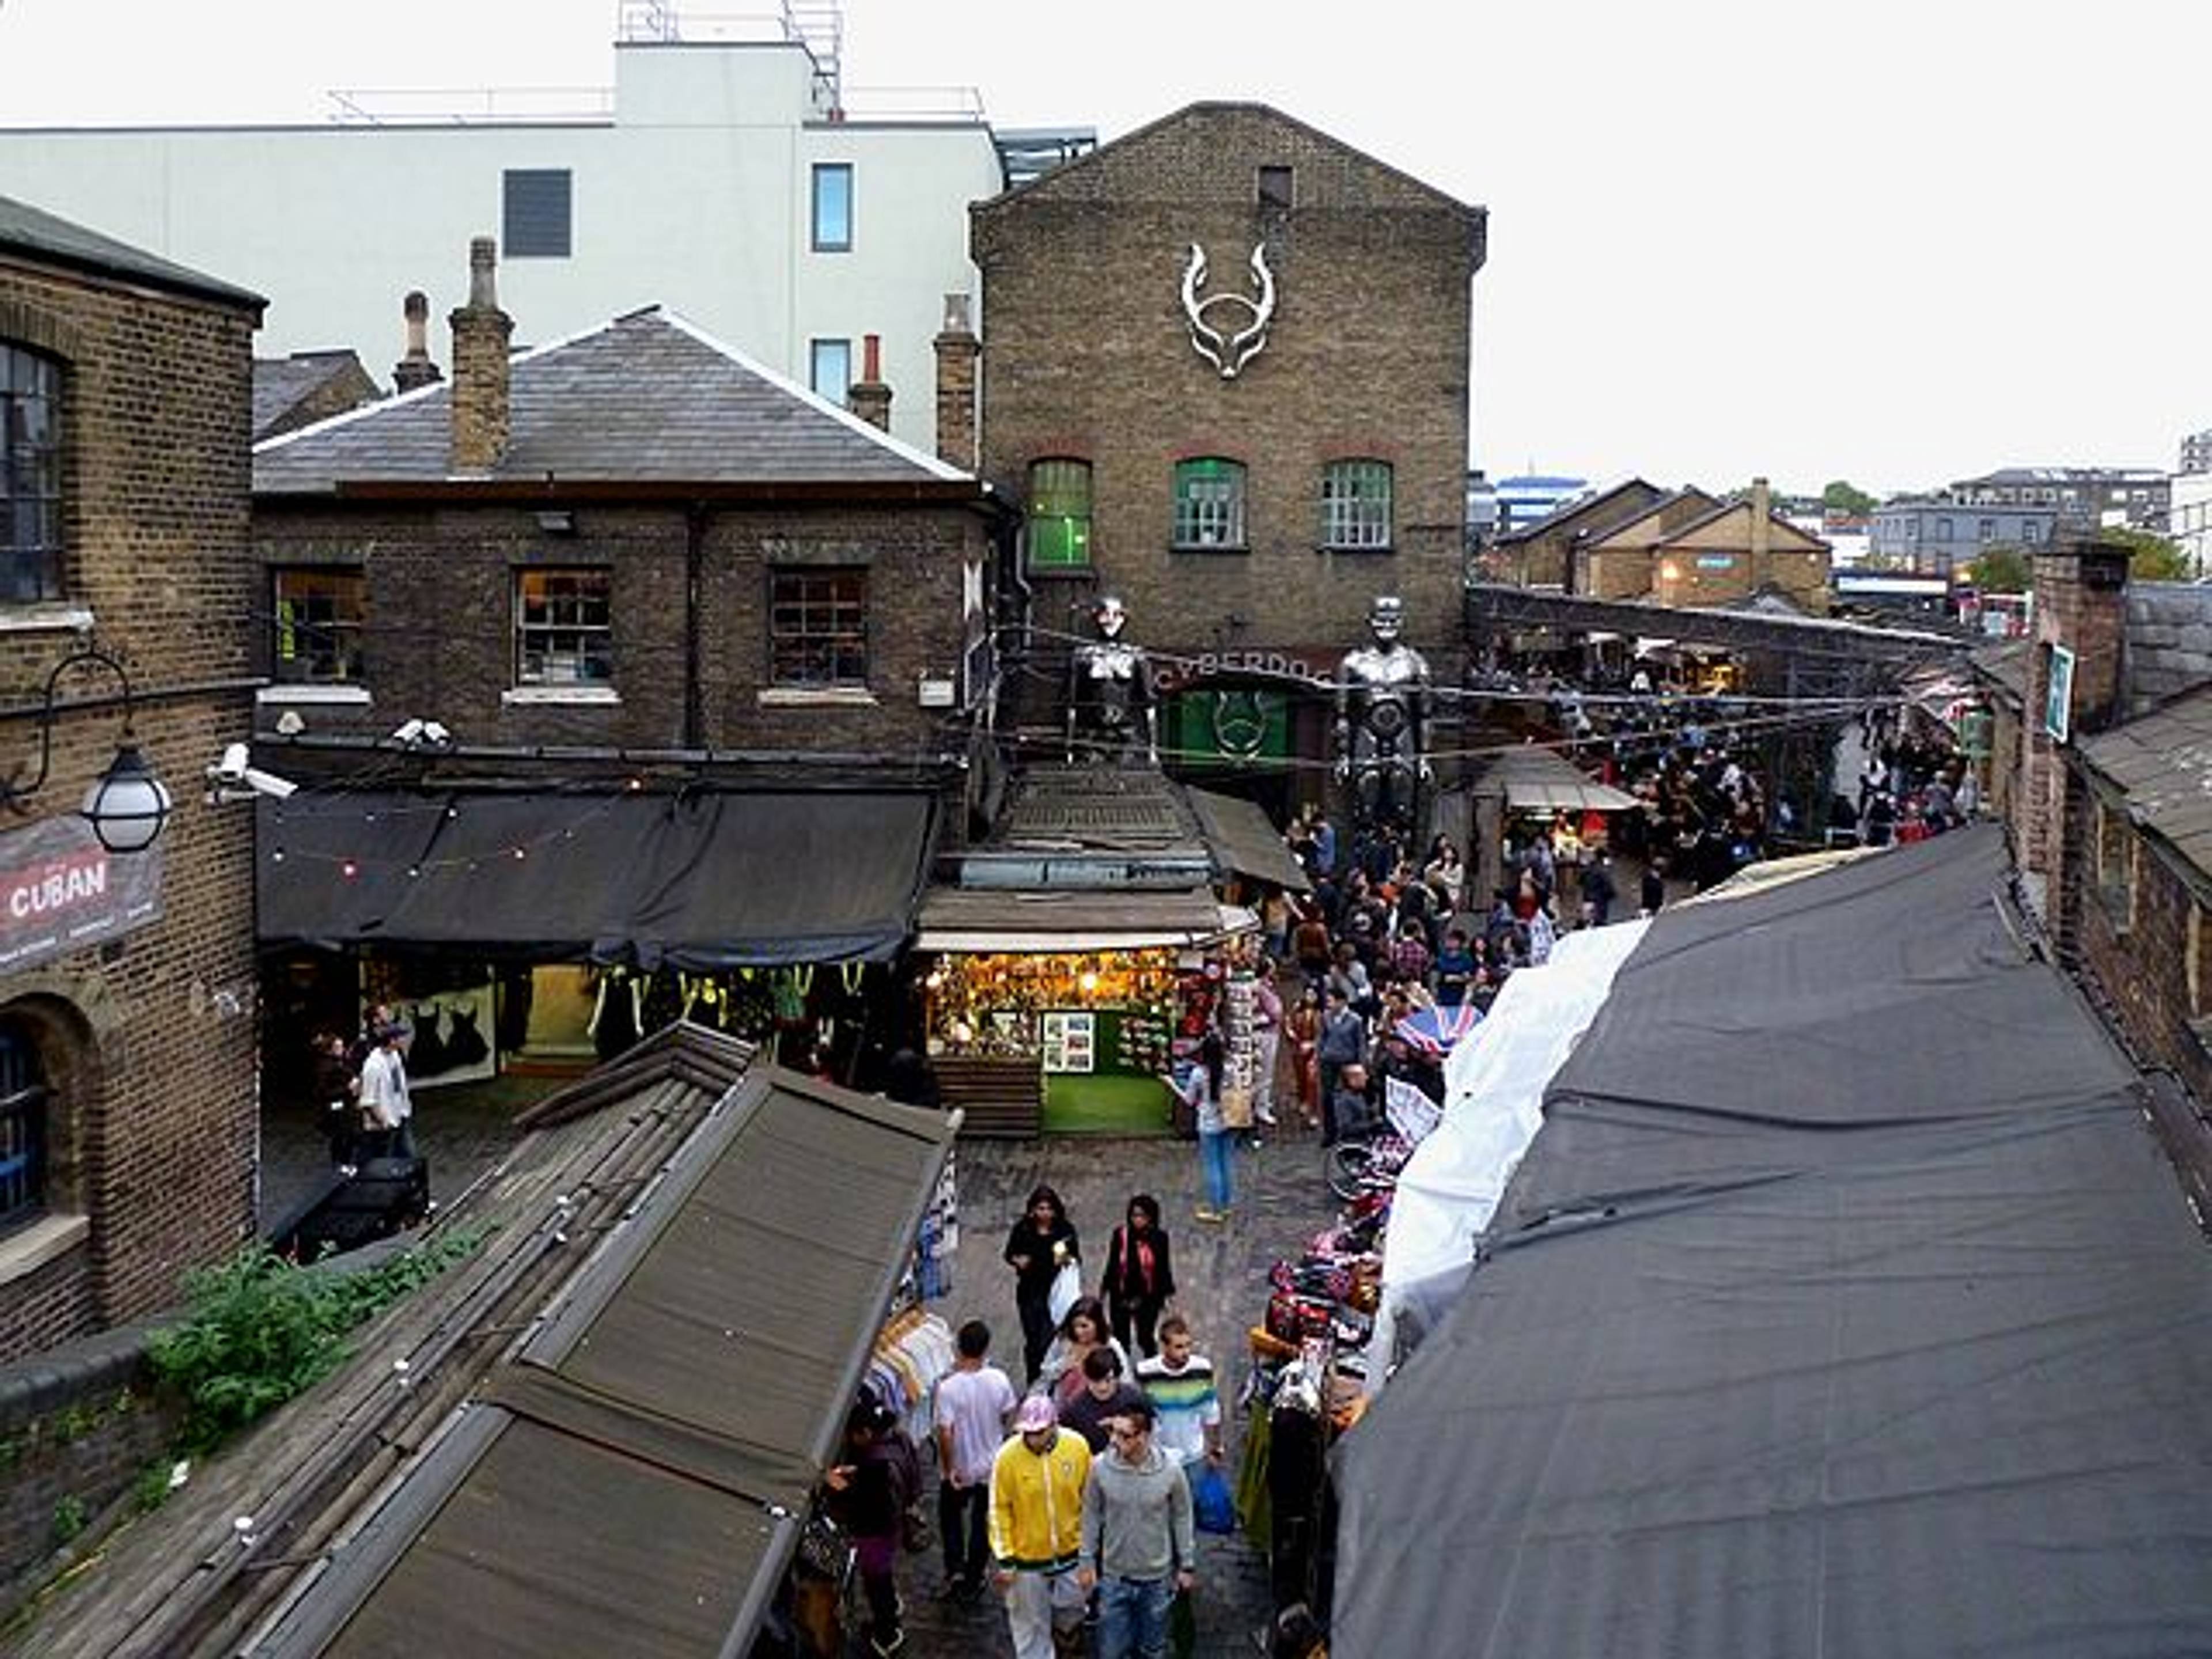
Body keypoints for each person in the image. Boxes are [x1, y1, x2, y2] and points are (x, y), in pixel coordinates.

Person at [1077, 1396, 1196, 1659]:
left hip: (1156, 1579)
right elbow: (1091, 1513)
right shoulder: (1100, 1468)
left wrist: (1186, 1564)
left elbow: (1182, 1515)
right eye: (1113, 1432)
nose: (1114, 1441)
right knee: (1111, 1651)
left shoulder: (1171, 1471)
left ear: (1145, 1435)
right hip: (1114, 1577)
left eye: (1124, 1435)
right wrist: (1086, 1561)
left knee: (1152, 1650)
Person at [990, 1394, 1093, 1659]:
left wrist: (1090, 1550)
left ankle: (1067, 1638)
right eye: (1029, 1432)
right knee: (1030, 1626)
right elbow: (998, 1510)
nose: (1033, 1438)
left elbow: (1090, 1501)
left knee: (1072, 1609)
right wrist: (1006, 1559)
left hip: (1072, 1554)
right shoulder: (1006, 1458)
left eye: (1040, 1431)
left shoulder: (1078, 1447)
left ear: (1054, 1425)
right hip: (1026, 1561)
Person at [934, 1318, 1018, 1603]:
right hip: (991, 1465)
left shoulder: (948, 1388)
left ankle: (955, 1567)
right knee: (984, 1522)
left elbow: (945, 1432)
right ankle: (974, 1574)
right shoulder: (999, 1380)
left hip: (960, 1466)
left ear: (959, 1348)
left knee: (951, 1517)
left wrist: (949, 1468)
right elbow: (1008, 1414)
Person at [824, 1400, 916, 1657]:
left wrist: (835, 1483)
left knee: (877, 1585)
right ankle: (888, 1623)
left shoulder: (875, 1465)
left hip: (875, 1533)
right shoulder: (894, 1444)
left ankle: (887, 1637)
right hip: (889, 1528)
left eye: (854, 1435)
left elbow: (862, 1498)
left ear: (865, 1433)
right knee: (882, 1581)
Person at [1005, 1185, 1080, 1386]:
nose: (1045, 1213)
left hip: (1055, 1291)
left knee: (1049, 1339)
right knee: (1033, 1340)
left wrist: (1061, 1259)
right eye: (1041, 1208)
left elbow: (1072, 1258)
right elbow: (1010, 1253)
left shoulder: (1064, 1231)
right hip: (1030, 1292)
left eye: (1048, 1209)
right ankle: (1033, 1380)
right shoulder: (1023, 1229)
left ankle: (1050, 1379)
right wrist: (1017, 1260)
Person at [1136, 1315, 1223, 1475]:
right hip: (1159, 1456)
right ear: (1164, 1346)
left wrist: (1215, 1449)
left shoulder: (1202, 1369)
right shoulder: (1146, 1372)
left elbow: (1211, 1414)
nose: (1186, 1352)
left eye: (1188, 1345)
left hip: (1193, 1455)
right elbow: (1142, 1416)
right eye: (1179, 1347)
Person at [1099, 1195, 1177, 1361]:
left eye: (1143, 1216)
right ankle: (1122, 1371)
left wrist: (1168, 1294)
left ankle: (1151, 1365)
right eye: (1135, 1215)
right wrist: (1104, 1289)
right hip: (1121, 1293)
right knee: (1120, 1338)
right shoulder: (1120, 1235)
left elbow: (1163, 1268)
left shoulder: (1159, 1238)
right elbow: (1112, 1263)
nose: (1138, 1220)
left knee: (1145, 1336)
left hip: (1148, 1297)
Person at [1167, 1032, 1233, 1223]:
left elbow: (1189, 1100)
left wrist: (1171, 1084)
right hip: (1228, 1121)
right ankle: (1225, 1205)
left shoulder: (1199, 1074)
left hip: (1208, 1123)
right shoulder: (1231, 1069)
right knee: (1226, 1163)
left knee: (1212, 1166)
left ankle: (1216, 1209)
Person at [1041, 1295, 1132, 1410]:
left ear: (1097, 1324)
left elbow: (1126, 1380)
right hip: (1066, 1408)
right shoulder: (1063, 1342)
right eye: (1075, 1326)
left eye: (1084, 1326)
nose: (1078, 1331)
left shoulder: (1111, 1345)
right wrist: (1064, 1365)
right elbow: (1045, 1373)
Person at [1059, 1346, 1149, 1456]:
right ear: (1087, 1378)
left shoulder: (1134, 1398)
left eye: (1108, 1380)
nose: (1103, 1387)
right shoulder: (1074, 1409)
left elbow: (1149, 1431)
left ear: (1117, 1377)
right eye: (1096, 1381)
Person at [356, 1020, 412, 1162]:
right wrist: (383, 1122)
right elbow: (368, 1100)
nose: (405, 1039)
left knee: (408, 1156)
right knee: (385, 1160)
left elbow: (399, 1086)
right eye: (401, 1037)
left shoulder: (395, 1055)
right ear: (392, 1040)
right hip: (387, 1123)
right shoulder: (373, 1065)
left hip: (401, 1115)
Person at [1315, 987, 1366, 1143]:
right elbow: (1322, 1038)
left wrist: (1361, 1064)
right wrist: (1320, 1055)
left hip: (1348, 1062)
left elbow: (1360, 1044)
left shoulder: (1355, 1020)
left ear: (1342, 1001)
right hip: (1328, 1061)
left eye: (1332, 1001)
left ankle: (1351, 1128)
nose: (1329, 1004)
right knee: (1327, 1096)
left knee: (1349, 1096)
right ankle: (1330, 1132)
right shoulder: (1326, 1017)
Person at [311, 1028, 359, 1172]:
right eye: (338, 1047)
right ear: (330, 1050)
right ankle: (341, 1162)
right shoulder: (325, 1067)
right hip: (336, 1105)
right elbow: (323, 1091)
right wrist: (348, 1088)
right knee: (343, 1133)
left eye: (342, 1046)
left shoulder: (342, 1062)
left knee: (347, 1134)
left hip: (346, 1103)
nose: (342, 1049)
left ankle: (343, 1161)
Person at [1286, 984, 1323, 1130]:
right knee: (1300, 1077)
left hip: (1314, 1051)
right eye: (1308, 994)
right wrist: (1292, 1034)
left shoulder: (1321, 1014)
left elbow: (1323, 1034)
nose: (1310, 997)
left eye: (1313, 995)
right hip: (1298, 1049)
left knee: (1312, 1079)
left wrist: (1313, 1044)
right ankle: (1302, 1101)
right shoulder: (1297, 1011)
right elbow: (1288, 1024)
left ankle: (1313, 1110)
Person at [1581, 848, 1617, 926]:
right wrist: (1612, 894)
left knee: (1589, 920)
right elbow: (1607, 884)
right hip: (1600, 901)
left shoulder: (1587, 870)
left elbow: (1581, 882)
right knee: (1600, 921)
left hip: (1588, 899)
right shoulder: (1602, 870)